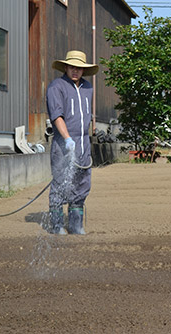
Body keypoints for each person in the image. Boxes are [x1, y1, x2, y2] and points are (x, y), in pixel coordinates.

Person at [46, 50, 98, 235]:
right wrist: (67, 139)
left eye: (79, 68)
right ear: (66, 67)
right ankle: (57, 225)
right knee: (60, 183)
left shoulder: (87, 88)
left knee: (82, 183)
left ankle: (76, 226)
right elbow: (57, 115)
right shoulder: (56, 87)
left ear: (83, 70)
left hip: (83, 143)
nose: (75, 71)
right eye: (72, 67)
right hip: (64, 143)